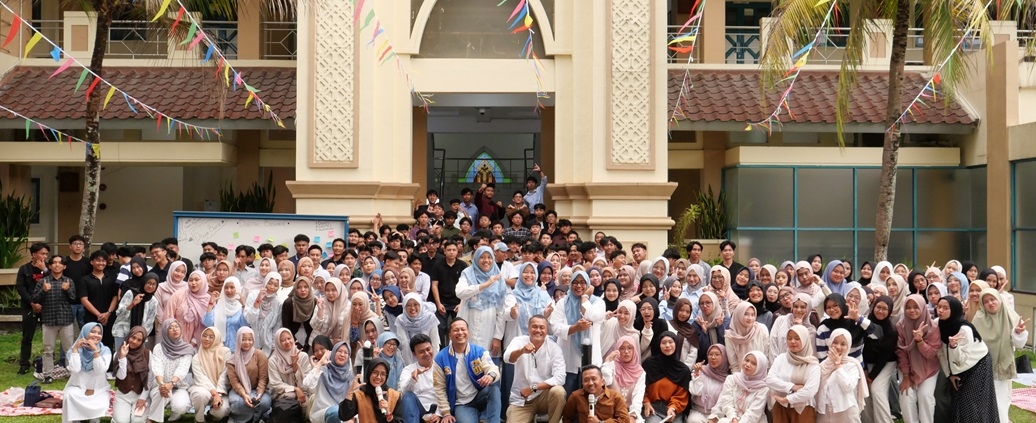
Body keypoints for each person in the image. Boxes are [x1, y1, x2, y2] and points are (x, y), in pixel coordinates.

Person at [935, 296, 999, 423]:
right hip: (959, 367)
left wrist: (954, 346)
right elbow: (941, 353)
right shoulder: (939, 324)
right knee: (958, 401)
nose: (940, 310)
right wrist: (950, 374)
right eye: (939, 307)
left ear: (954, 310)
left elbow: (962, 359)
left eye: (945, 308)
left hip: (978, 364)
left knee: (970, 402)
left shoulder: (964, 329)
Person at [973, 288, 1028, 423]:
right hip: (982, 366)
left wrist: (1018, 333)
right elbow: (973, 344)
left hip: (1003, 364)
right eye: (986, 301)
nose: (990, 303)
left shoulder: (1009, 315)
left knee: (1000, 401)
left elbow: (1019, 344)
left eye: (992, 299)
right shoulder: (978, 318)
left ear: (999, 299)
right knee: (984, 402)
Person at [433, 318, 501, 423]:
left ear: (468, 333)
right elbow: (439, 388)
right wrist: (446, 413)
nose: (460, 333)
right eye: (456, 330)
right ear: (450, 335)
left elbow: (493, 368)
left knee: (494, 389)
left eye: (463, 329)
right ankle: (482, 417)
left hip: (479, 395)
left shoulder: (479, 351)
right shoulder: (441, 358)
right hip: (462, 403)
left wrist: (490, 375)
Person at [549, 270, 605, 394]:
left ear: (588, 284)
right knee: (568, 397)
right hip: (568, 359)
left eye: (583, 282)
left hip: (591, 358)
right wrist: (575, 328)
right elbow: (555, 327)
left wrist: (585, 298)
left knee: (589, 398)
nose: (579, 286)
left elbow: (591, 315)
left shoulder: (598, 302)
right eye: (575, 282)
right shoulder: (563, 303)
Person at [503, 315, 567, 423]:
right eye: (534, 326)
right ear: (528, 329)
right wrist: (522, 351)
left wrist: (533, 387)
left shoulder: (554, 348)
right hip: (522, 399)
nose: (538, 330)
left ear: (547, 331)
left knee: (558, 391)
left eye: (542, 327)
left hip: (543, 396)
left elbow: (560, 377)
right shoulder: (518, 341)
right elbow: (507, 358)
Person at [456, 245, 513, 358]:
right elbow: (460, 292)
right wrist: (484, 285)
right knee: (464, 359)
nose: (486, 260)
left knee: (485, 362)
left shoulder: (498, 279)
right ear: (476, 258)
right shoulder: (467, 273)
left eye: (489, 257)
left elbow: (501, 311)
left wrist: (497, 337)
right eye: (482, 257)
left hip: (488, 330)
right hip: (467, 323)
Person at [896, 294, 941, 423]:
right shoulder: (901, 326)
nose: (912, 310)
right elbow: (901, 352)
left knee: (925, 396)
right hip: (908, 369)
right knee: (906, 395)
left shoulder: (933, 327)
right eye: (908, 307)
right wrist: (906, 376)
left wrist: (919, 341)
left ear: (922, 307)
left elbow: (931, 354)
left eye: (916, 307)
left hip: (929, 369)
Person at [34, 255, 77, 383]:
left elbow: (74, 299)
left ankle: (72, 373)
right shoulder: (43, 281)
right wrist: (43, 291)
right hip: (48, 319)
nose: (57, 265)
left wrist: (67, 290)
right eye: (54, 263)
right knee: (48, 349)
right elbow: (35, 299)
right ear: (50, 266)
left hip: (66, 320)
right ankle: (48, 375)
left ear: (64, 266)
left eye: (60, 263)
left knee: (69, 349)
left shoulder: (69, 281)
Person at [766, 325, 821, 423]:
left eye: (797, 338)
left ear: (805, 340)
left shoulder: (812, 365)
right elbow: (770, 380)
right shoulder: (781, 358)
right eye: (789, 338)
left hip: (803, 409)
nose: (792, 341)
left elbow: (809, 391)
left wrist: (787, 399)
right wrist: (792, 387)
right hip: (780, 407)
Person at [62, 322, 112, 423]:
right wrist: (75, 349)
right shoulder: (74, 349)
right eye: (92, 332)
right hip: (77, 385)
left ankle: (93, 418)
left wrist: (95, 351)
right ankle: (75, 418)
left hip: (98, 387)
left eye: (99, 333)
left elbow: (100, 370)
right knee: (69, 395)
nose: (96, 335)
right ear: (85, 333)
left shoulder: (105, 350)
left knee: (97, 400)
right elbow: (75, 369)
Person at [815, 329, 869, 423]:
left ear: (848, 346)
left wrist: (838, 365)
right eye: (835, 342)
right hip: (825, 411)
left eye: (843, 344)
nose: (838, 347)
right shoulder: (823, 365)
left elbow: (847, 387)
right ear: (830, 343)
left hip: (846, 411)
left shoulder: (852, 365)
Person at [147, 319, 195, 423]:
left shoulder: (187, 348)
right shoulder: (158, 348)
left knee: (181, 406)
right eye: (170, 328)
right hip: (161, 385)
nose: (174, 329)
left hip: (179, 386)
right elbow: (157, 366)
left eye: (176, 327)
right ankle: (151, 419)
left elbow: (182, 368)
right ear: (165, 331)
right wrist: (162, 384)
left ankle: (174, 415)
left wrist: (171, 384)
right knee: (161, 394)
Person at [641, 331, 690, 423]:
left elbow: (681, 396)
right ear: (659, 345)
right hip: (652, 408)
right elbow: (641, 388)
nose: (667, 345)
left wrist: (673, 407)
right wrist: (646, 402)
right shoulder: (650, 364)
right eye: (663, 343)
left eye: (670, 342)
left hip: (673, 410)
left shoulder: (683, 370)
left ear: (676, 344)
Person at [226, 327, 272, 423]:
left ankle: (253, 418)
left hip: (257, 390)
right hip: (238, 391)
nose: (247, 342)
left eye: (250, 339)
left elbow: (263, 378)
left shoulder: (259, 355)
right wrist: (244, 395)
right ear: (238, 340)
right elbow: (234, 382)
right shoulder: (232, 360)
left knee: (264, 402)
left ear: (253, 340)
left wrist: (259, 394)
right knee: (238, 404)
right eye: (243, 339)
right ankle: (255, 417)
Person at [708, 351, 768, 423]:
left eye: (754, 363)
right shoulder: (732, 379)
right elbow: (726, 402)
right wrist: (733, 418)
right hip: (732, 419)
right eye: (747, 360)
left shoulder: (763, 388)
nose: (748, 365)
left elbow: (753, 413)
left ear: (760, 368)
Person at [17, 242, 49, 374]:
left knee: (48, 337)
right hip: (29, 306)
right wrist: (32, 303)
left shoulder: (49, 268)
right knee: (27, 336)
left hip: (47, 306)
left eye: (46, 254)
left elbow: (54, 281)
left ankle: (48, 363)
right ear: (34, 254)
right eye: (42, 253)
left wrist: (45, 270)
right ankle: (24, 364)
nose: (45, 256)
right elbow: (21, 287)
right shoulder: (24, 269)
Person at [268, 328, 311, 423]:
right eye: (282, 340)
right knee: (290, 396)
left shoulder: (303, 356)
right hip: (282, 394)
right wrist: (295, 389)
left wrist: (295, 366)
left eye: (289, 338)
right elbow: (276, 383)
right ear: (278, 343)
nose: (287, 342)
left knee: (305, 404)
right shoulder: (273, 360)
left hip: (303, 391)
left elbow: (307, 382)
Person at [188, 327, 232, 423]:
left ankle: (211, 415)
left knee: (222, 411)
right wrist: (214, 393)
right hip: (203, 387)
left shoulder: (225, 352)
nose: (207, 339)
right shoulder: (197, 357)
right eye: (204, 336)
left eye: (211, 337)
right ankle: (199, 419)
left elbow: (224, 375)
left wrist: (218, 394)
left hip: (221, 389)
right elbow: (201, 379)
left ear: (217, 338)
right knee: (200, 395)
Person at [561, 365, 631, 423]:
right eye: (586, 380)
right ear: (582, 383)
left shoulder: (615, 396)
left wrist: (600, 422)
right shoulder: (576, 396)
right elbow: (567, 418)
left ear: (602, 381)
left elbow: (625, 420)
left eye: (594, 379)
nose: (590, 383)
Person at [112, 273, 158, 357]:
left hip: (139, 336)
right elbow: (119, 313)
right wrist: (132, 304)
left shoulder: (153, 301)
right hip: (122, 331)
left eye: (153, 284)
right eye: (148, 283)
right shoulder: (131, 293)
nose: (150, 286)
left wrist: (139, 335)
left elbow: (149, 323)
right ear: (144, 282)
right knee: (120, 357)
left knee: (136, 358)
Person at [602, 336, 646, 423]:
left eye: (630, 348)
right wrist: (607, 362)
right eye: (622, 348)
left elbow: (638, 397)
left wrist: (633, 415)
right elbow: (605, 383)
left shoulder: (640, 372)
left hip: (628, 412)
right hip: (609, 411)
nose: (626, 351)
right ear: (617, 350)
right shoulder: (611, 366)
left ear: (634, 350)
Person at [308, 341, 355, 423]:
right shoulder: (323, 371)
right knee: (336, 412)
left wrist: (352, 418)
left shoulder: (349, 376)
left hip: (343, 416)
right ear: (333, 353)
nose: (342, 355)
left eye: (346, 353)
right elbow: (307, 384)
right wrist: (319, 364)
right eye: (339, 351)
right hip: (323, 412)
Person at [399, 334, 440, 423]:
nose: (426, 354)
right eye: (421, 352)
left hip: (438, 409)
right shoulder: (408, 369)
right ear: (414, 354)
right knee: (408, 396)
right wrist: (413, 378)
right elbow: (403, 392)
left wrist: (439, 413)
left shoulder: (441, 366)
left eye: (428, 349)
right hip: (418, 409)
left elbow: (449, 392)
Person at [112, 326, 150, 423]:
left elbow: (150, 378)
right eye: (133, 337)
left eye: (139, 340)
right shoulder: (117, 354)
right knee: (121, 421)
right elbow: (121, 377)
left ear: (142, 342)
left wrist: (143, 397)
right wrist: (122, 358)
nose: (135, 341)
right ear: (128, 336)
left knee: (137, 421)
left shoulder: (147, 354)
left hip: (140, 394)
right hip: (123, 395)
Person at [204, 277, 250, 349]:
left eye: (232, 287)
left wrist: (243, 305)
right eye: (226, 287)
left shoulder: (241, 308)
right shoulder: (219, 307)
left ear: (237, 288)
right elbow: (208, 323)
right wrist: (210, 304)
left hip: (236, 349)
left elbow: (245, 325)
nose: (229, 290)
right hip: (219, 348)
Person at [395, 293, 441, 363]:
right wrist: (410, 365)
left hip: (429, 356)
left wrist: (432, 362)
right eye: (408, 305)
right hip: (410, 358)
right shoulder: (401, 320)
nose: (412, 308)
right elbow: (404, 344)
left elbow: (435, 342)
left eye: (415, 304)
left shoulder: (430, 317)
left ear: (421, 305)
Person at [686, 345, 728, 423]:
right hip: (698, 412)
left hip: (717, 415)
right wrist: (696, 373)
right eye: (710, 354)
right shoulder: (701, 371)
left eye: (717, 354)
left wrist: (714, 417)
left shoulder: (727, 379)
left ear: (724, 357)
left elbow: (722, 402)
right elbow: (695, 392)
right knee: (694, 420)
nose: (713, 357)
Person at [170, 270, 212, 347]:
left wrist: (194, 341)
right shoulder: (178, 295)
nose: (193, 283)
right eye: (191, 280)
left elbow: (209, 324)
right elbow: (169, 317)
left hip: (199, 343)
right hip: (176, 341)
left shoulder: (208, 300)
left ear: (203, 281)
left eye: (196, 280)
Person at [243, 272, 283, 352]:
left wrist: (273, 346)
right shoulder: (253, 295)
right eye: (269, 283)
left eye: (276, 285)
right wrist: (258, 300)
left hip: (268, 345)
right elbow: (249, 319)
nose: (272, 287)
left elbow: (277, 326)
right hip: (250, 342)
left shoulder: (278, 302)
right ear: (265, 282)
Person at [724, 302, 769, 372]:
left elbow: (766, 356)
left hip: (761, 374)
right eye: (746, 314)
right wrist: (739, 378)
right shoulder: (730, 336)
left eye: (753, 315)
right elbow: (734, 365)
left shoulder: (762, 329)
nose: (750, 318)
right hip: (740, 375)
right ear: (738, 314)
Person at [281, 276, 316, 351]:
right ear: (295, 288)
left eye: (305, 287)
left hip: (310, 339)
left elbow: (314, 326)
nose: (303, 290)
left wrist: (307, 344)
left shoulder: (314, 301)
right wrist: (295, 343)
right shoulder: (289, 303)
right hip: (292, 339)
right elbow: (286, 326)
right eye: (299, 287)